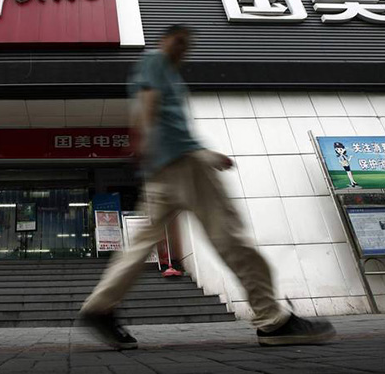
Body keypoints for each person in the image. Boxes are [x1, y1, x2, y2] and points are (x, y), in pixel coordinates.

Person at [78, 24, 336, 349]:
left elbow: (166, 119)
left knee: (140, 243)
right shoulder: (156, 61)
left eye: (187, 45)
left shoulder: (166, 72)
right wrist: (144, 140)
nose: (182, 49)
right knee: (231, 237)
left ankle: (99, 307)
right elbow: (149, 103)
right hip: (183, 164)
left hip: (163, 169)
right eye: (179, 41)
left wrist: (199, 152)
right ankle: (272, 320)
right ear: (164, 40)